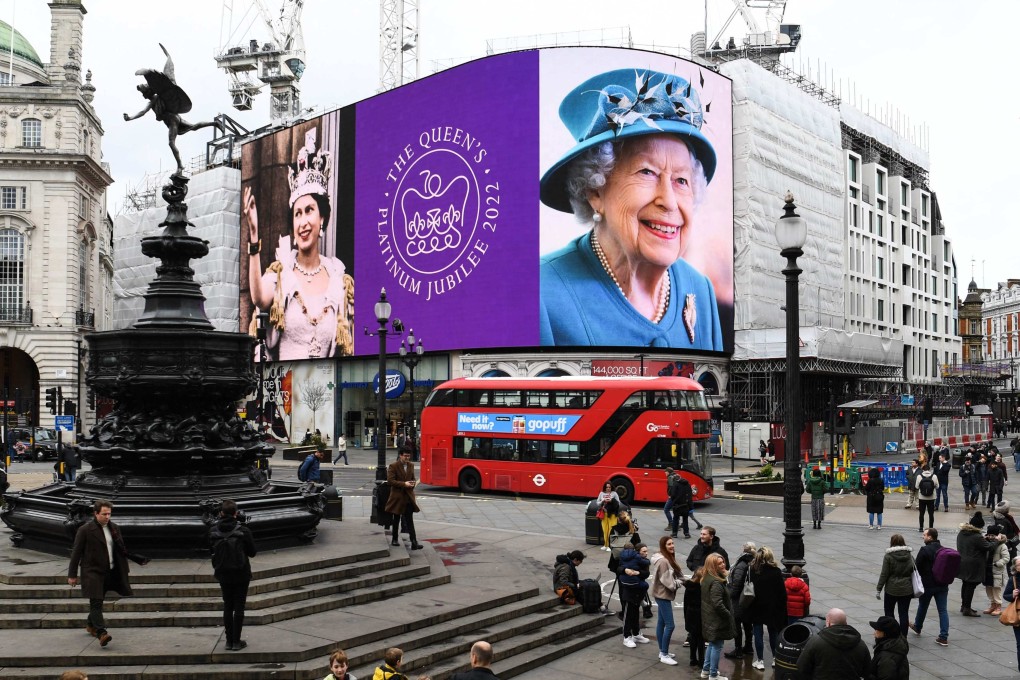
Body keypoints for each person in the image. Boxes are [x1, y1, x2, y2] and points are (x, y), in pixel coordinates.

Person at [538, 69, 723, 349]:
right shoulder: (540, 294)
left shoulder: (700, 290)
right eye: (647, 172)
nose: (669, 201)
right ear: (595, 190)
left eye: (681, 180)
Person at [243, 126, 354, 361]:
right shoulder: (282, 272)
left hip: (325, 392)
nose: (303, 221)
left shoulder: (338, 277)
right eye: (297, 214)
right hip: (285, 392)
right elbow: (259, 298)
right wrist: (254, 236)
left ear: (322, 218)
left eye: (309, 211)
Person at [123, 44, 222, 175]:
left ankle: (180, 166)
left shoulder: (154, 99)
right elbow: (168, 70)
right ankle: (214, 123)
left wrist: (130, 118)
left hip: (172, 120)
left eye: (144, 92)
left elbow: (142, 112)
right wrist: (167, 55)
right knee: (193, 127)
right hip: (175, 117)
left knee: (171, 143)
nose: (143, 95)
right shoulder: (156, 98)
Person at [67, 500, 149, 647]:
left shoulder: (114, 528)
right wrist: (72, 575)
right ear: (96, 513)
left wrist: (134, 560)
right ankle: (101, 633)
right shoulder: (85, 530)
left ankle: (91, 624)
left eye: (109, 514)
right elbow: (76, 553)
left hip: (110, 571)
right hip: (92, 572)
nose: (107, 517)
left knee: (98, 602)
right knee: (96, 601)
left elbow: (120, 549)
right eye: (104, 514)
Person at [209, 499, 257, 651]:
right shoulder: (243, 530)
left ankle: (229, 641)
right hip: (241, 572)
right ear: (236, 513)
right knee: (239, 606)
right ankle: (237, 641)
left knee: (228, 605)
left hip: (223, 572)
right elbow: (253, 552)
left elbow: (209, 549)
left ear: (221, 513)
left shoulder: (213, 530)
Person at [796, 608, 871, 679]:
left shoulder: (816, 641)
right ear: (846, 623)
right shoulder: (860, 644)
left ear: (828, 623)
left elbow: (802, 667)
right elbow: (867, 670)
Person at [745, 546, 787, 671]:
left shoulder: (752, 570)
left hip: (756, 606)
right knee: (773, 632)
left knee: (757, 632)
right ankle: (775, 658)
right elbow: (782, 593)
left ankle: (760, 660)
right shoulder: (776, 572)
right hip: (772, 607)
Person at [910, 528, 950, 646]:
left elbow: (916, 567)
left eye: (924, 535)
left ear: (930, 537)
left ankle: (918, 626)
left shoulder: (924, 550)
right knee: (943, 610)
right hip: (942, 584)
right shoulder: (943, 550)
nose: (923, 537)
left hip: (927, 585)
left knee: (923, 606)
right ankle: (943, 636)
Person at [958, 514, 1004, 616]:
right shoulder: (976, 536)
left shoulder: (962, 533)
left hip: (962, 562)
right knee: (970, 585)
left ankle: (964, 606)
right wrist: (997, 540)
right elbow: (988, 547)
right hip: (973, 565)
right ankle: (967, 608)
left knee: (965, 583)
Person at [650, 536, 684, 664]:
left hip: (660, 594)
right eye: (669, 544)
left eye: (673, 543)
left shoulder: (666, 558)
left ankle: (662, 651)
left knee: (661, 622)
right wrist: (680, 582)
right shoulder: (664, 561)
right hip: (662, 595)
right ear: (663, 546)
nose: (672, 546)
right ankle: (664, 654)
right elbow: (669, 583)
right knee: (670, 625)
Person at [700, 553, 734, 680]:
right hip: (717, 620)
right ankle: (713, 674)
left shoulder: (707, 578)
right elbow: (718, 604)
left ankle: (706, 670)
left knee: (712, 644)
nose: (723, 565)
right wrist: (728, 614)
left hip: (710, 618)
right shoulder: (716, 583)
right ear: (713, 566)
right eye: (719, 563)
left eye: (723, 562)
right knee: (717, 646)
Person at [876, 533, 915, 637]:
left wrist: (879, 589)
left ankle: (891, 635)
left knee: (889, 613)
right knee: (904, 613)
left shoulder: (888, 556)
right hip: (906, 589)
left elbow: (884, 574)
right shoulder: (909, 555)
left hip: (891, 589)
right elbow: (913, 570)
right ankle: (903, 637)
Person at [723, 541, 755, 660]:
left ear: (743, 550)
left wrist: (729, 595)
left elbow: (736, 584)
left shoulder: (741, 564)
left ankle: (738, 650)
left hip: (739, 600)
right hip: (748, 599)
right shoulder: (752, 562)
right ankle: (748, 646)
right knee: (747, 624)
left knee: (737, 624)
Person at [385, 448, 423, 550]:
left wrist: (413, 483)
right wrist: (404, 484)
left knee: (409, 520)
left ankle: (414, 542)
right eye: (405, 456)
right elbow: (390, 481)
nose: (407, 458)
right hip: (398, 497)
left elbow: (413, 478)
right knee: (396, 519)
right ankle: (394, 539)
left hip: (408, 497)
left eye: (408, 456)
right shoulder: (393, 466)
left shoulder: (411, 465)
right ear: (400, 455)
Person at [617, 542, 651, 647]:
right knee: (628, 614)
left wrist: (637, 573)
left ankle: (636, 633)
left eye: (646, 551)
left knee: (636, 614)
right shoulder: (634, 559)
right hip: (629, 591)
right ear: (637, 552)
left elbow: (646, 574)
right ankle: (627, 636)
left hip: (638, 592)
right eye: (643, 551)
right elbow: (618, 569)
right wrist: (625, 570)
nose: (646, 553)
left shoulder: (642, 562)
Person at [867, 615, 910, 680]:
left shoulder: (887, 657)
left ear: (885, 633)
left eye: (877, 630)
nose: (874, 633)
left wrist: (866, 675)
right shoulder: (896, 644)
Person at [984, 524, 1009, 616]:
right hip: (987, 570)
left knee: (996, 589)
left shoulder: (1002, 546)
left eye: (993, 535)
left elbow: (1006, 558)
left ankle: (998, 606)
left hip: (996, 571)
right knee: (988, 588)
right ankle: (992, 605)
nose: (990, 537)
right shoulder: (986, 543)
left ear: (997, 535)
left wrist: (998, 563)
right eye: (989, 535)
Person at [684, 567, 705, 667]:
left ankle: (693, 658)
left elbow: (686, 603)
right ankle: (701, 660)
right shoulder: (703, 588)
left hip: (690, 613)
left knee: (693, 637)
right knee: (701, 639)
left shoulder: (689, 586)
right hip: (700, 614)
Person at [1002, 556, 1020, 672]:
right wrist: (1012, 595)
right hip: (1018, 616)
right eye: (1019, 565)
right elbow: (1006, 595)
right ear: (1015, 567)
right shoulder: (1013, 580)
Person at [595, 482, 621, 551]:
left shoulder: (614, 494)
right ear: (604, 488)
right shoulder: (601, 493)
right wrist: (603, 500)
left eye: (609, 487)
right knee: (605, 529)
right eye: (607, 487)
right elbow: (597, 503)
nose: (608, 489)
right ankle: (605, 545)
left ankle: (610, 545)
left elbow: (619, 503)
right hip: (604, 514)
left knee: (611, 530)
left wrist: (611, 500)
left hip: (612, 514)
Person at [916, 465, 938, 533]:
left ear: (923, 470)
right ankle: (931, 528)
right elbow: (937, 486)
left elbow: (916, 487)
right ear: (929, 469)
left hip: (922, 498)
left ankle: (921, 527)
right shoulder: (934, 476)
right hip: (931, 498)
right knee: (931, 514)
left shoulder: (919, 476)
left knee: (921, 513)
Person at [670, 472, 693, 539]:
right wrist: (691, 507)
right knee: (685, 520)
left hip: (677, 505)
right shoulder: (688, 484)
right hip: (686, 505)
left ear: (675, 479)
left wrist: (673, 502)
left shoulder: (676, 484)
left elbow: (673, 495)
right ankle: (686, 533)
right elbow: (690, 496)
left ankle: (674, 533)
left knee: (676, 519)